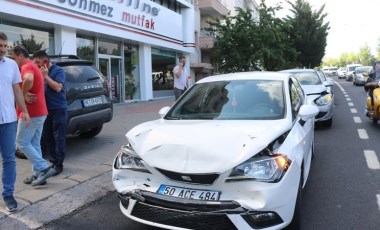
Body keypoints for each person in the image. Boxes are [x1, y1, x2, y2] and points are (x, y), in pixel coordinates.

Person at [11, 46, 56, 186]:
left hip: (31, 113)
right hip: (40, 112)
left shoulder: (26, 66)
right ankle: (38, 175)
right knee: (34, 144)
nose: (13, 61)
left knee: (21, 142)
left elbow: (28, 79)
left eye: (13, 58)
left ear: (20, 56)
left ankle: (43, 167)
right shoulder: (33, 66)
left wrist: (22, 94)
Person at [0, 32, 30, 212]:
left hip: (9, 119)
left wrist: (24, 111)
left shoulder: (11, 65)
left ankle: (8, 194)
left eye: (4, 46)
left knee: (9, 159)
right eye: (0, 46)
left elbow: (17, 90)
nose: (3, 49)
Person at [32, 50, 67, 176]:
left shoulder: (58, 71)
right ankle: (53, 161)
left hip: (58, 109)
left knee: (59, 137)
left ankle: (59, 164)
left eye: (38, 62)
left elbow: (58, 88)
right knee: (47, 136)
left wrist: (46, 76)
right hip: (44, 110)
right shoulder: (38, 71)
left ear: (45, 62)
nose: (36, 65)